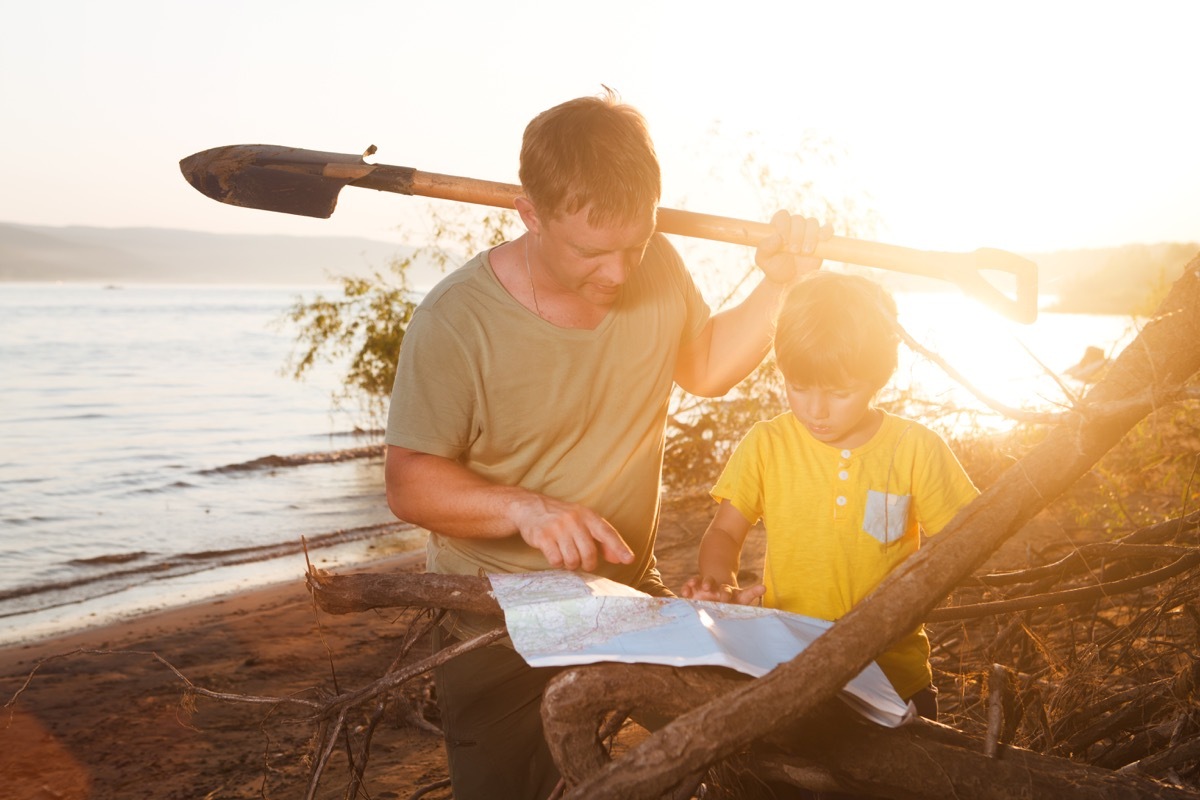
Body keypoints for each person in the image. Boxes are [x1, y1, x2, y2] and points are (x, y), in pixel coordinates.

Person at [383, 88, 830, 800]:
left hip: (629, 595)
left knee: (752, 745)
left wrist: (777, 286)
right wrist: (525, 509)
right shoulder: (456, 321)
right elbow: (409, 481)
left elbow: (707, 365)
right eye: (593, 251)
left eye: (637, 243)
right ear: (529, 215)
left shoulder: (656, 267)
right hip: (497, 613)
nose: (620, 273)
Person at [681, 270, 980, 723]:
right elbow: (724, 530)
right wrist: (720, 583)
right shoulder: (768, 444)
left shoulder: (915, 449)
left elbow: (964, 545)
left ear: (878, 376)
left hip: (894, 678)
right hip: (791, 668)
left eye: (839, 393)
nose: (815, 410)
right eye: (798, 388)